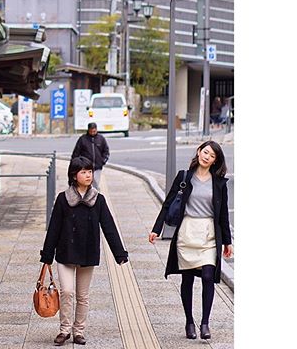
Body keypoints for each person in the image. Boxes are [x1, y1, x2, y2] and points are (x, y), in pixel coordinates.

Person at [148, 141, 233, 341]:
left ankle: (205, 323)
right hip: (187, 232)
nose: (207, 157)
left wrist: (227, 241)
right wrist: (156, 228)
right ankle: (189, 321)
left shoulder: (219, 183)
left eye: (212, 156)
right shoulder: (184, 177)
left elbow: (223, 215)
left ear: (215, 161)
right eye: (205, 152)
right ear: (198, 152)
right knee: (187, 278)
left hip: (208, 233)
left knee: (207, 275)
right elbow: (168, 202)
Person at [41, 156, 128, 346]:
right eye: (84, 172)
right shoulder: (64, 199)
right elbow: (54, 228)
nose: (88, 175)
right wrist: (47, 255)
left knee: (82, 296)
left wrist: (119, 253)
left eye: (90, 171)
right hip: (65, 253)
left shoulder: (98, 199)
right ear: (74, 175)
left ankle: (78, 331)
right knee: (67, 291)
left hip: (87, 253)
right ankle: (64, 330)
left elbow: (109, 227)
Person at [70, 123, 109, 188]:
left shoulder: (101, 139)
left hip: (97, 167)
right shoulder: (83, 139)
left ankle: (94, 196)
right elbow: (76, 152)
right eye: (91, 131)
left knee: (95, 184)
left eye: (94, 131)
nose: (93, 132)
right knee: (86, 184)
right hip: (85, 166)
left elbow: (106, 151)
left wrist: (103, 161)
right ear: (88, 130)